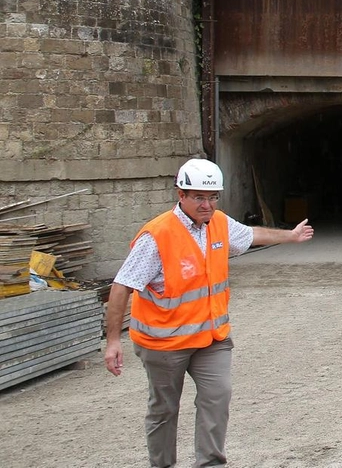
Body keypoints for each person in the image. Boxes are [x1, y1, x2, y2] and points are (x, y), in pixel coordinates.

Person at [103, 158, 315, 468]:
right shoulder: (157, 236)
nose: (207, 204)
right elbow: (122, 285)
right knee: (164, 410)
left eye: (213, 197)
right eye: (199, 197)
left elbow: (251, 235)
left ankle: (210, 463)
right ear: (182, 195)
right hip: (164, 344)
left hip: (212, 338)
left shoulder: (220, 223)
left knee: (218, 398)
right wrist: (112, 341)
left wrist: (290, 236)